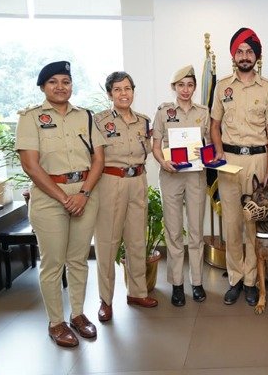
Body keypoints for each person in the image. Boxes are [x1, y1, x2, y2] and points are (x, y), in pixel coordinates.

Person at [15, 61, 105, 347]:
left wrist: (83, 194)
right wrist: (65, 198)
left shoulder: (86, 116)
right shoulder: (30, 118)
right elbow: (30, 165)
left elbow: (99, 159)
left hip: (85, 194)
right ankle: (56, 322)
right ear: (43, 86)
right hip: (49, 198)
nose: (60, 87)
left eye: (66, 81)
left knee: (78, 259)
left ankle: (78, 314)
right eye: (53, 81)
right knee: (53, 263)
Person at [210, 27, 268, 306]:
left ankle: (251, 281)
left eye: (249, 51)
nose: (244, 56)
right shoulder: (222, 87)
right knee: (232, 224)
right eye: (239, 51)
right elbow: (214, 125)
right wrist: (218, 152)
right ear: (233, 56)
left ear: (256, 56)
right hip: (229, 162)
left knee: (254, 224)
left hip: (257, 161)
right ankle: (235, 279)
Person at [93, 71, 158, 322]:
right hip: (111, 182)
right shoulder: (99, 121)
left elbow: (152, 149)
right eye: (118, 89)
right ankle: (106, 300)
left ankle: (137, 292)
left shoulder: (144, 121)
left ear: (133, 91)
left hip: (138, 181)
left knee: (137, 240)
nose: (123, 93)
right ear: (110, 94)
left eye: (127, 88)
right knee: (108, 242)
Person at [152, 65, 210, 306]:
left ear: (195, 87)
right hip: (171, 176)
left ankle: (197, 282)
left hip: (195, 176)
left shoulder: (203, 112)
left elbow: (210, 145)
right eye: (181, 85)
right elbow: (155, 146)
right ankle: (177, 284)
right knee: (174, 231)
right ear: (173, 87)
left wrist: (204, 153)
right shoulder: (163, 112)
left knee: (195, 231)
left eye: (190, 85)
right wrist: (163, 162)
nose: (185, 90)